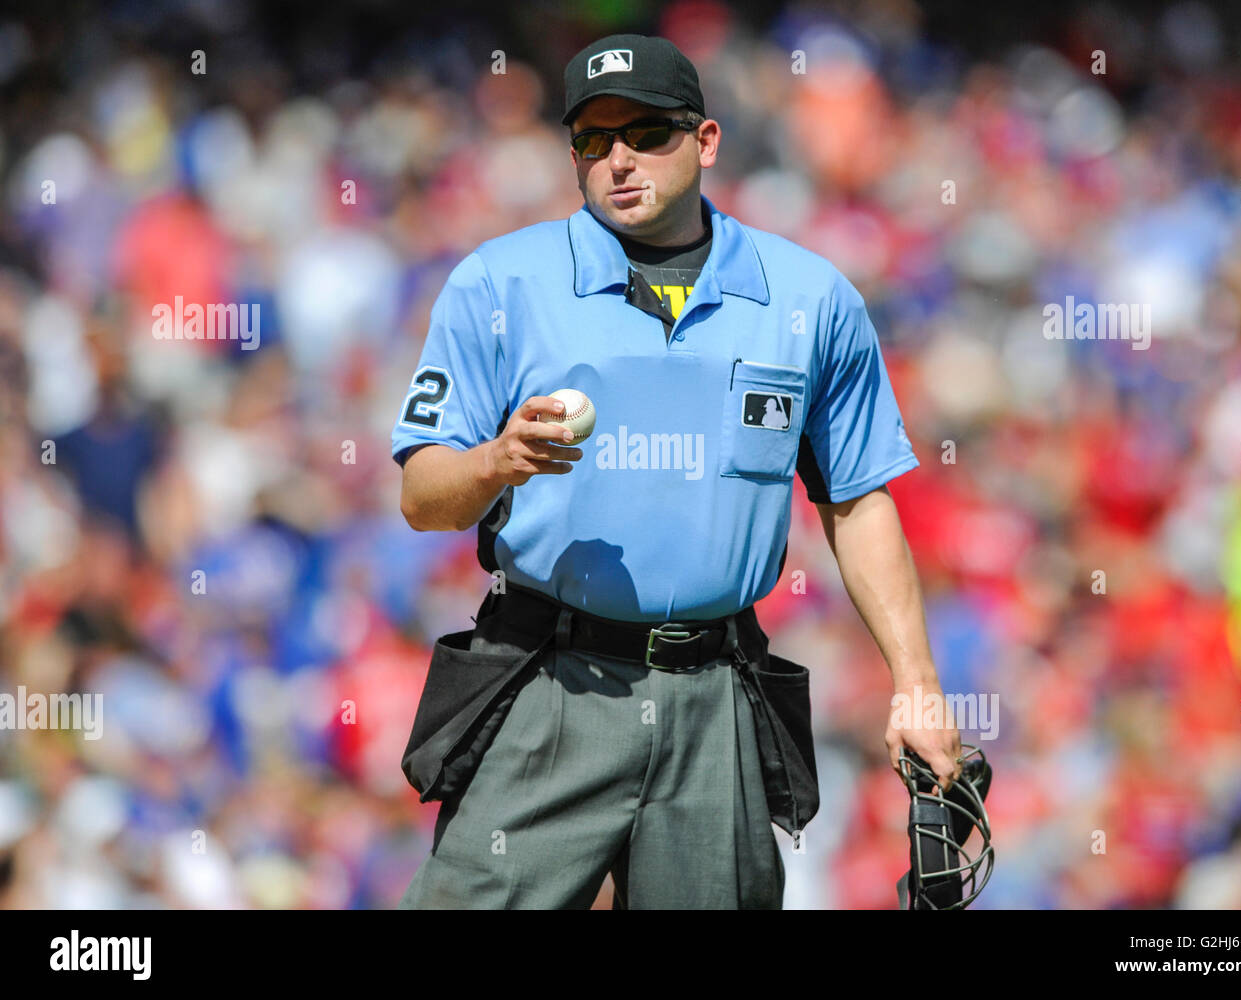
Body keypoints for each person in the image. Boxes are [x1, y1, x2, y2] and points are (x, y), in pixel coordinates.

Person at [391, 33, 961, 910]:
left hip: (716, 692)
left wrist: (917, 688)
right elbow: (423, 499)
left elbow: (857, 500)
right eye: (593, 139)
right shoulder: (500, 283)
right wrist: (495, 462)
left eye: (647, 133)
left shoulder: (809, 298)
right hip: (553, 681)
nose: (618, 159)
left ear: (706, 142)